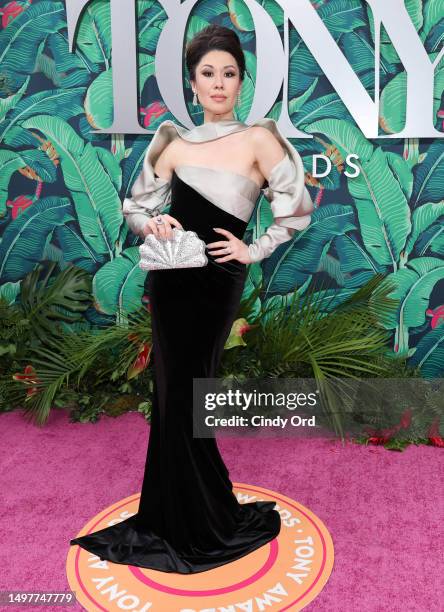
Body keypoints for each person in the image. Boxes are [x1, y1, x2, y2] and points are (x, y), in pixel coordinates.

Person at [70, 24, 314, 574]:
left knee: (186, 393)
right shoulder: (174, 142)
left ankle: (199, 519)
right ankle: (181, 514)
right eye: (209, 73)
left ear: (242, 81)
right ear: (193, 81)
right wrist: (153, 222)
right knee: (172, 396)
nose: (219, 83)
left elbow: (296, 209)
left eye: (229, 73)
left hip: (216, 284)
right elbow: (134, 209)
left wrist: (255, 249)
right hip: (171, 281)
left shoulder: (259, 139)